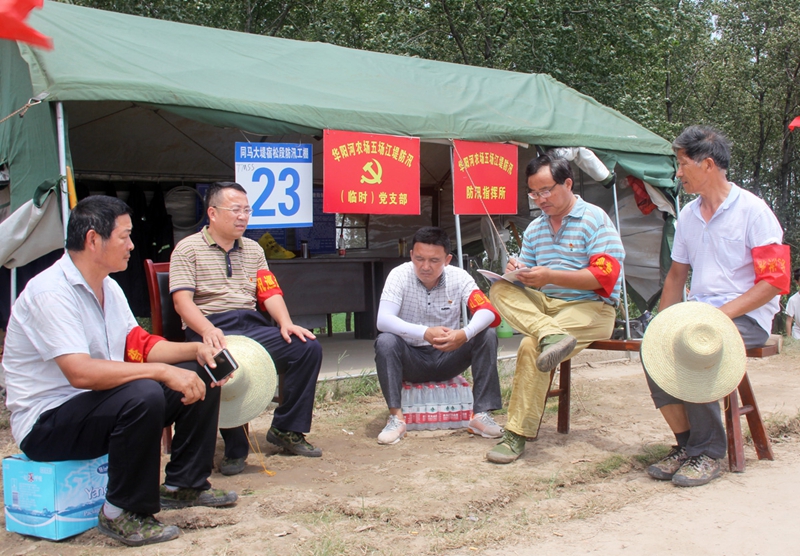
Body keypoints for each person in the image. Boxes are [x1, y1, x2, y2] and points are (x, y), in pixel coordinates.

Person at [2, 196, 237, 547]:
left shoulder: (108, 287)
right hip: (47, 424)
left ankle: (184, 484)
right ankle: (121, 511)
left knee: (201, 374)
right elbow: (80, 374)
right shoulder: (50, 292)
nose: (131, 246)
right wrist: (161, 372)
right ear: (93, 239)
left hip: (97, 406)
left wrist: (197, 350)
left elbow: (138, 344)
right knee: (143, 392)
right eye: (124, 236)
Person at [644, 125, 787, 487]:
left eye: (682, 164)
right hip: (701, 314)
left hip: (746, 317)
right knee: (656, 346)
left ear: (707, 164)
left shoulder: (754, 211)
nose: (678, 173)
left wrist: (719, 316)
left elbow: (774, 282)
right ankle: (686, 444)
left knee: (695, 345)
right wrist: (662, 325)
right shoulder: (689, 216)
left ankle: (708, 452)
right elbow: (676, 277)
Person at [170, 182, 322, 476]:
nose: (243, 216)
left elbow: (269, 292)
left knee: (306, 347)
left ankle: (287, 429)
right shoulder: (187, 249)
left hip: (251, 325)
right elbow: (182, 302)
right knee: (227, 363)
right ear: (212, 213)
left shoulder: (253, 249)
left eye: (247, 210)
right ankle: (235, 447)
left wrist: (286, 323)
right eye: (235, 210)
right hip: (211, 327)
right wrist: (207, 329)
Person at [487, 152, 625, 464]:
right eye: (533, 194)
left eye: (546, 191)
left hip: (591, 306)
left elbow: (603, 277)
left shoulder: (594, 219)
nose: (540, 199)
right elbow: (528, 278)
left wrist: (550, 276)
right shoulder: (535, 229)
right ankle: (551, 334)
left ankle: (516, 434)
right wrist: (517, 272)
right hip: (548, 308)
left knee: (530, 345)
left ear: (568, 184)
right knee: (500, 288)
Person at [374, 226, 504, 445]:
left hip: (449, 357)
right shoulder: (399, 275)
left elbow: (487, 312)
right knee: (385, 341)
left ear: (447, 259)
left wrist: (464, 334)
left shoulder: (459, 277)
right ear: (411, 255)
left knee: (487, 334)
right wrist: (424, 332)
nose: (425, 266)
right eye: (419, 259)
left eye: (434, 260)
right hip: (411, 360)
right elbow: (383, 320)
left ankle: (480, 414)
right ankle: (396, 418)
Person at [784, 269, 800, 339]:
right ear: (797, 282)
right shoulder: (793, 300)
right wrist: (789, 338)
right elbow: (789, 321)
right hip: (797, 334)